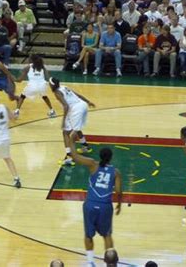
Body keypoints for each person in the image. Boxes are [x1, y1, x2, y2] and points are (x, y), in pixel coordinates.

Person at [67, 131, 122, 266]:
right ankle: (109, 263)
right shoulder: (115, 172)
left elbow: (74, 156)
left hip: (90, 204)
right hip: (105, 206)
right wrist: (119, 205)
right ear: (110, 158)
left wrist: (71, 141)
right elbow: (119, 191)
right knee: (107, 235)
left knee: (88, 235)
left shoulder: (93, 164)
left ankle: (91, 262)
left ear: (100, 156)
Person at [49, 77, 95, 166]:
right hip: (82, 105)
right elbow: (79, 95)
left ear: (51, 85)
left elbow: (66, 106)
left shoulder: (57, 92)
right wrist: (88, 102)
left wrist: (63, 120)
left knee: (66, 132)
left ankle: (69, 157)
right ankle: (85, 146)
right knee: (76, 128)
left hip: (75, 109)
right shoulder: (64, 87)